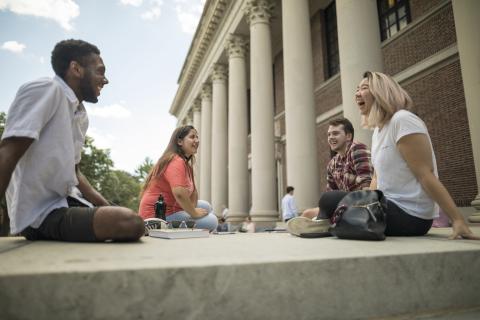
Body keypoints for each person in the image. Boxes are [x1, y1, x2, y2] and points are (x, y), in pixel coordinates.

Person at [296, 71, 479, 240]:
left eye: (364, 88)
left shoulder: (403, 120)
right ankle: (326, 223)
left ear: (381, 92)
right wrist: (360, 201)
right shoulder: (378, 131)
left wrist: (457, 219)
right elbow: (376, 179)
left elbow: (425, 174)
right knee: (331, 199)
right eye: (356, 90)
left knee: (330, 200)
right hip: (386, 206)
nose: (357, 94)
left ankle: (324, 224)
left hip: (412, 216)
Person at [0, 39, 144, 242]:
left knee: (130, 217)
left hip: (65, 203)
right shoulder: (47, 89)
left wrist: (107, 206)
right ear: (76, 69)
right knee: (129, 223)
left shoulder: (80, 114)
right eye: (100, 71)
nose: (105, 80)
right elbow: (8, 152)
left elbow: (74, 172)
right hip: (38, 216)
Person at [138, 125, 218, 231]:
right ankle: (156, 227)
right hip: (157, 216)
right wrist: (193, 213)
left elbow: (192, 197)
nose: (197, 140)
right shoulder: (175, 160)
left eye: (197, 137)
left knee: (206, 206)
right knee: (211, 221)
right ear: (180, 142)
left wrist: (193, 210)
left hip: (174, 209)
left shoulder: (187, 166)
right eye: (192, 137)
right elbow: (179, 193)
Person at [301, 118, 373, 219]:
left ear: (348, 136)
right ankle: (317, 224)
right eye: (329, 134)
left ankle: (321, 224)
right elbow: (330, 193)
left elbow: (368, 188)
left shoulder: (357, 149)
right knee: (307, 214)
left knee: (327, 199)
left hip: (362, 206)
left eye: (335, 133)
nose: (331, 137)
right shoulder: (332, 164)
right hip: (343, 207)